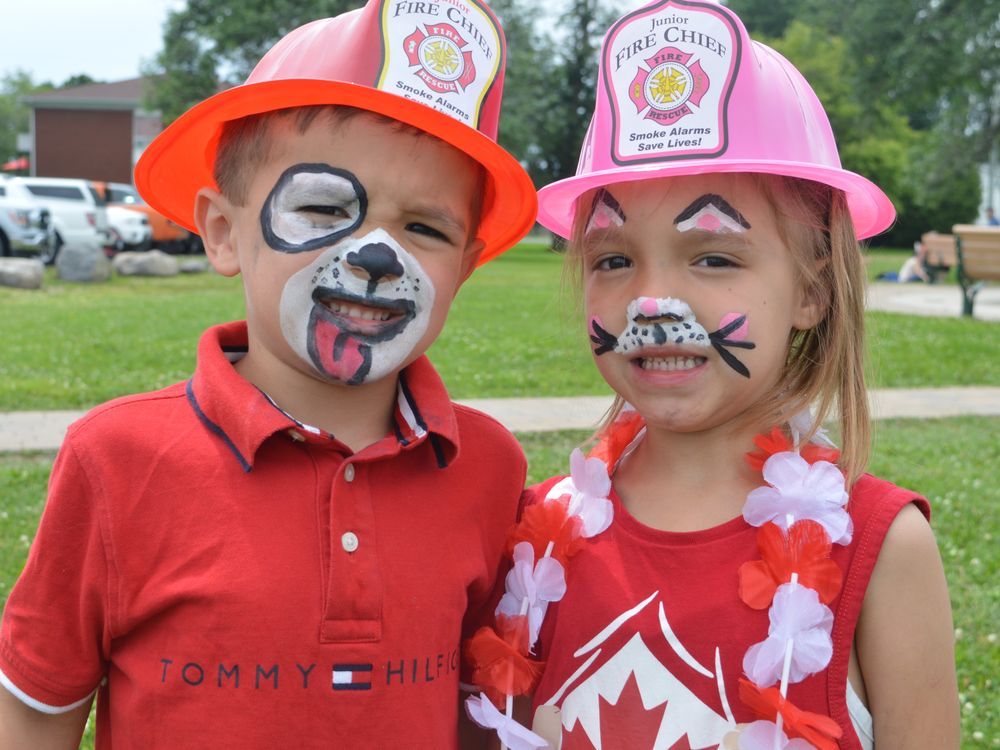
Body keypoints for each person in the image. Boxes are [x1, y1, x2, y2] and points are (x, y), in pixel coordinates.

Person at [0, 2, 537, 748]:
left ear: (465, 267)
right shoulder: (116, 460)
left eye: (425, 227)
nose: (377, 256)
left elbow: (481, 706)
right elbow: (36, 713)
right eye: (323, 207)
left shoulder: (487, 469)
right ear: (222, 232)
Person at [463, 2, 959, 749]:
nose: (651, 302)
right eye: (614, 259)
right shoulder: (533, 536)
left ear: (812, 292)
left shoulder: (884, 550)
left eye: (715, 257)